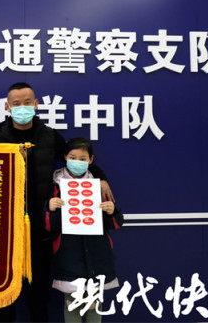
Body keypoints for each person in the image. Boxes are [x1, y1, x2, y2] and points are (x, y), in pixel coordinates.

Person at [0, 82, 113, 322]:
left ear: (36, 105)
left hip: (42, 226)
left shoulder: (48, 135)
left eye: (27, 102)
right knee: (4, 293)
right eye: (16, 103)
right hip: (6, 227)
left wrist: (100, 177)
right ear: (7, 107)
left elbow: (74, 158)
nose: (22, 107)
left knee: (39, 293)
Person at [45, 137, 124, 323]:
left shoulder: (98, 185)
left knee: (94, 305)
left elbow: (116, 223)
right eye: (73, 158)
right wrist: (51, 208)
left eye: (83, 159)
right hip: (69, 255)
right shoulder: (55, 185)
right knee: (72, 304)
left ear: (91, 159)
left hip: (97, 255)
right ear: (65, 157)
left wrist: (111, 211)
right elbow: (48, 225)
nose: (77, 162)